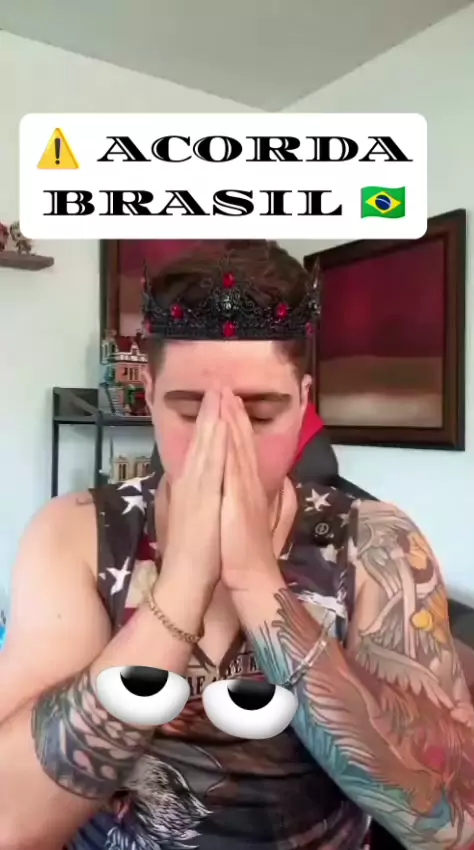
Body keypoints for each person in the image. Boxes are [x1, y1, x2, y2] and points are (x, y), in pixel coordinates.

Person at [0, 239, 473, 850]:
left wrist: (257, 583)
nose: (225, 443)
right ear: (148, 394)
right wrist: (180, 590)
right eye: (190, 412)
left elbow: (450, 823)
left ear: (304, 403)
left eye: (262, 414)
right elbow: (11, 822)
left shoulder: (375, 544)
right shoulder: (78, 534)